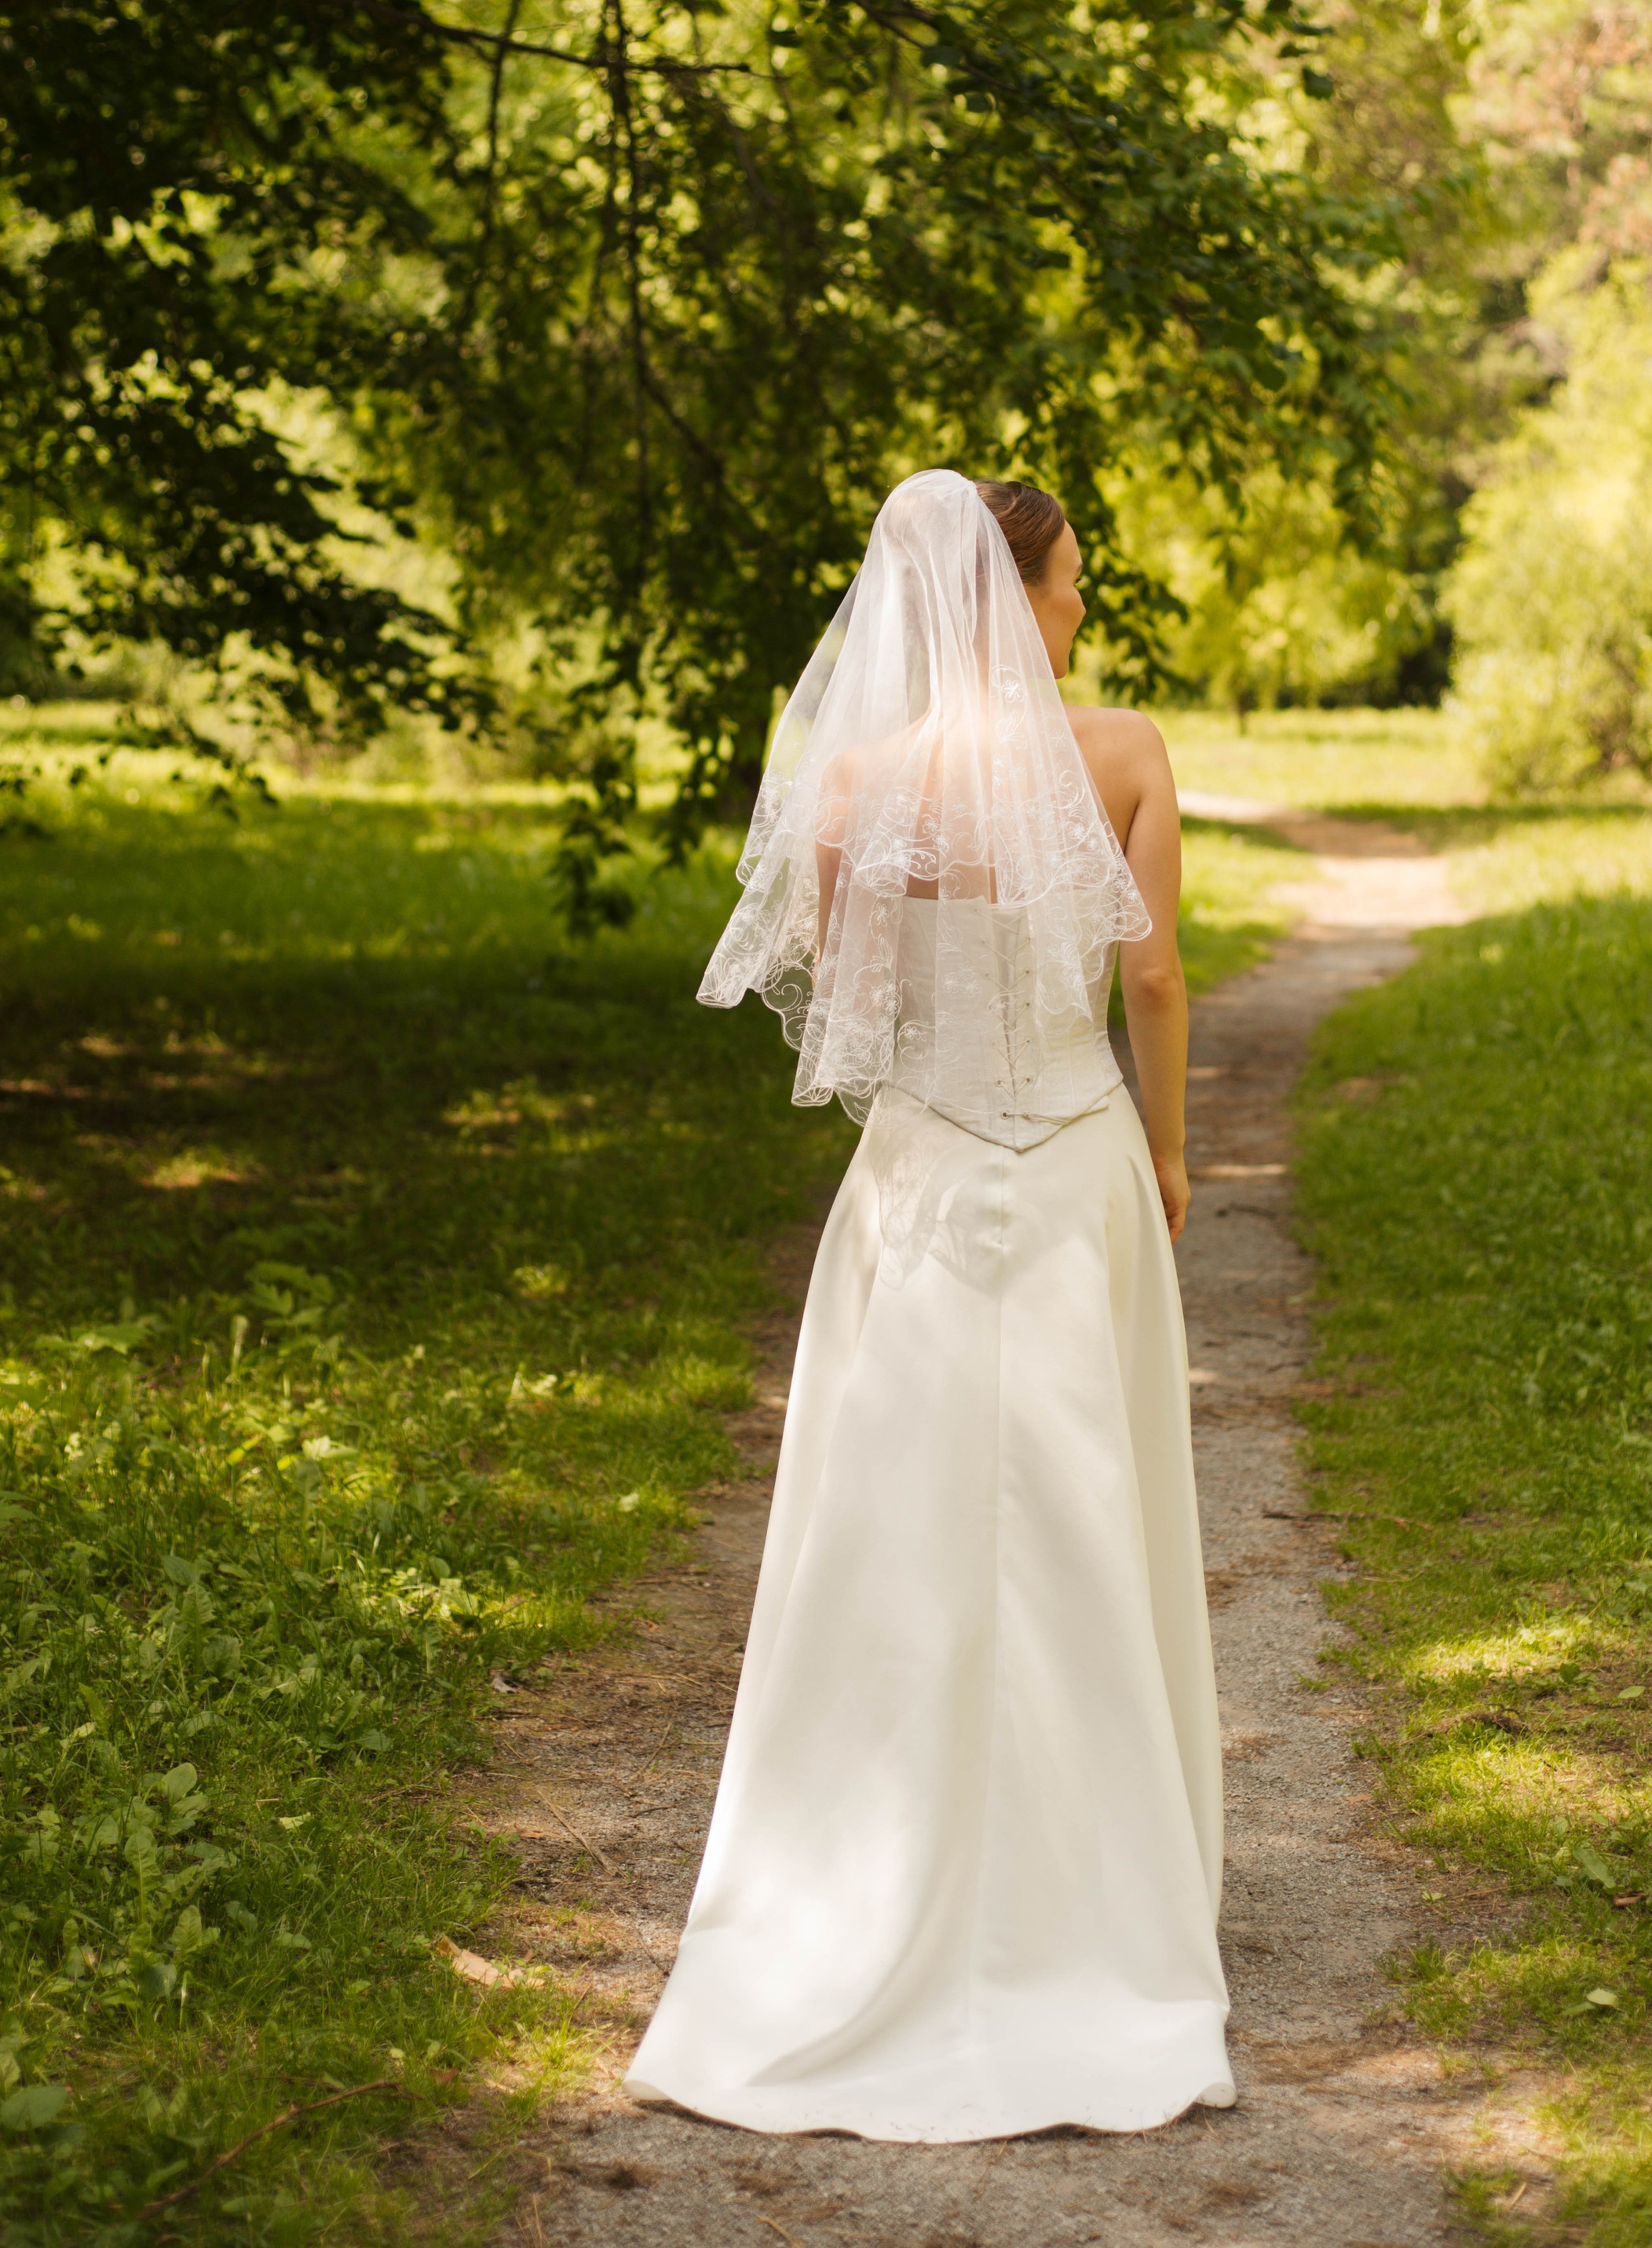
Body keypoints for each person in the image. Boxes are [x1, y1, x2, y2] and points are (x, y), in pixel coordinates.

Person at [625, 469, 1233, 2143]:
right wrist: (1172, 1163)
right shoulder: (1116, 755)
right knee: (1079, 1515)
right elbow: (1156, 976)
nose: (1083, 607)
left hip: (922, 1170)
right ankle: (1099, 1903)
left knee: (887, 1519)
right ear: (1008, 591)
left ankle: (841, 1898)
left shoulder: (857, 777)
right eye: (1072, 581)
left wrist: (937, 1128)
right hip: (1074, 1162)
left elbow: (857, 1013)